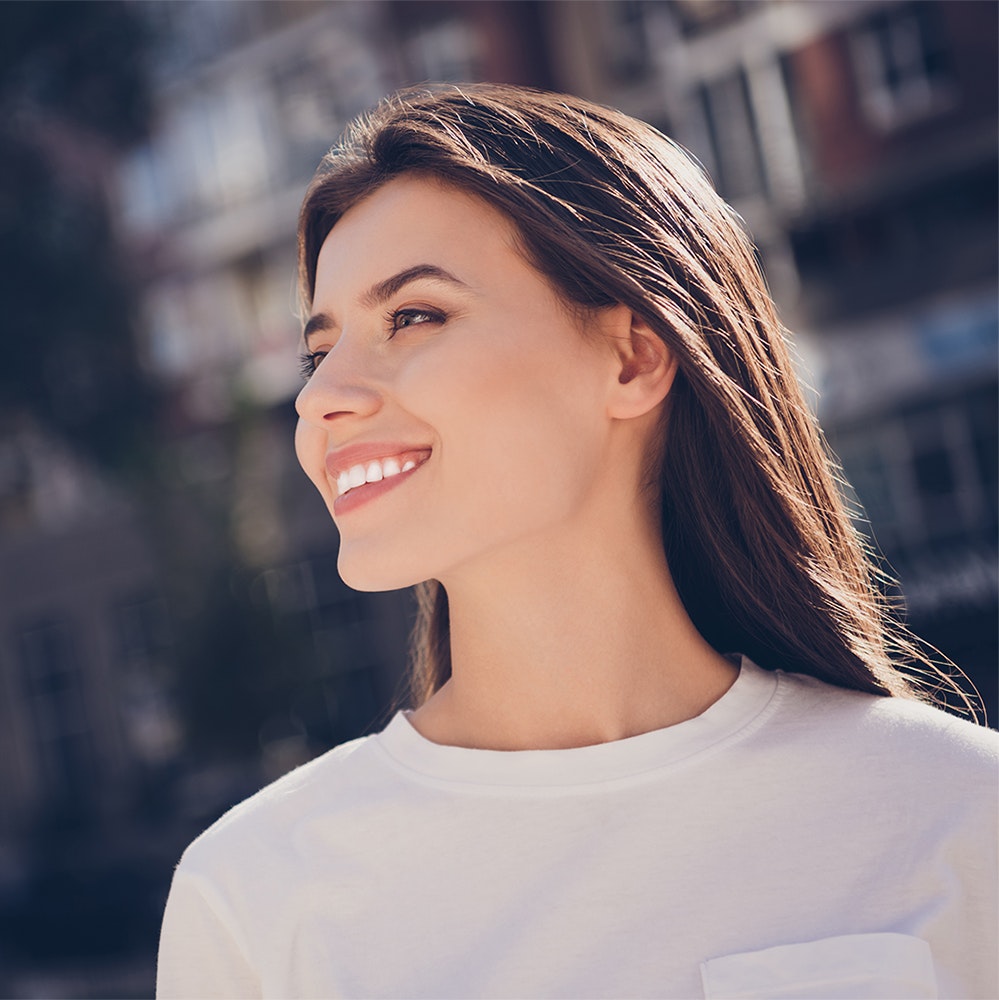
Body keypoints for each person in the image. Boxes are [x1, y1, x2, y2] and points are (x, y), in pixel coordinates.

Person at [157, 84, 997, 999]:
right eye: (319, 354)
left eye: (413, 316)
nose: (321, 400)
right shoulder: (253, 897)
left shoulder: (952, 813)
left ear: (633, 357)